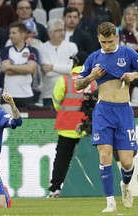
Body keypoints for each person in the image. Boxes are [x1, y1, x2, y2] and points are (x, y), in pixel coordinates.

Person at [75, 22, 138, 213]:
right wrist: (91, 76)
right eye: (103, 42)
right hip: (103, 111)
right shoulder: (94, 58)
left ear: (116, 37)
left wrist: (134, 74)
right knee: (104, 155)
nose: (107, 46)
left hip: (124, 111)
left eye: (110, 41)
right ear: (98, 39)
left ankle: (125, 185)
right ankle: (110, 202)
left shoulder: (129, 54)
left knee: (127, 162)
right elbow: (78, 85)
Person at [48, 51, 96, 198]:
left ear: (74, 63)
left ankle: (55, 188)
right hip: (88, 127)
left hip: (66, 126)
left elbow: (56, 103)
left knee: (62, 158)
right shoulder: (94, 82)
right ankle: (92, 188)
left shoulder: (65, 80)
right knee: (89, 158)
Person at [0, 21, 39, 108]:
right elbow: (6, 71)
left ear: (23, 34)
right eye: (10, 33)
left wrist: (10, 66)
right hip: (7, 95)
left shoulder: (32, 51)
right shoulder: (5, 50)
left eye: (14, 33)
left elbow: (31, 69)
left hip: (26, 95)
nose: (11, 36)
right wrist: (24, 68)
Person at [40, 18, 78, 108]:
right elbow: (47, 72)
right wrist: (65, 71)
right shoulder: (42, 47)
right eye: (57, 30)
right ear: (50, 33)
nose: (61, 33)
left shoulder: (72, 46)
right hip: (49, 94)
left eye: (62, 30)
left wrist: (52, 66)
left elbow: (72, 69)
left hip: (68, 93)